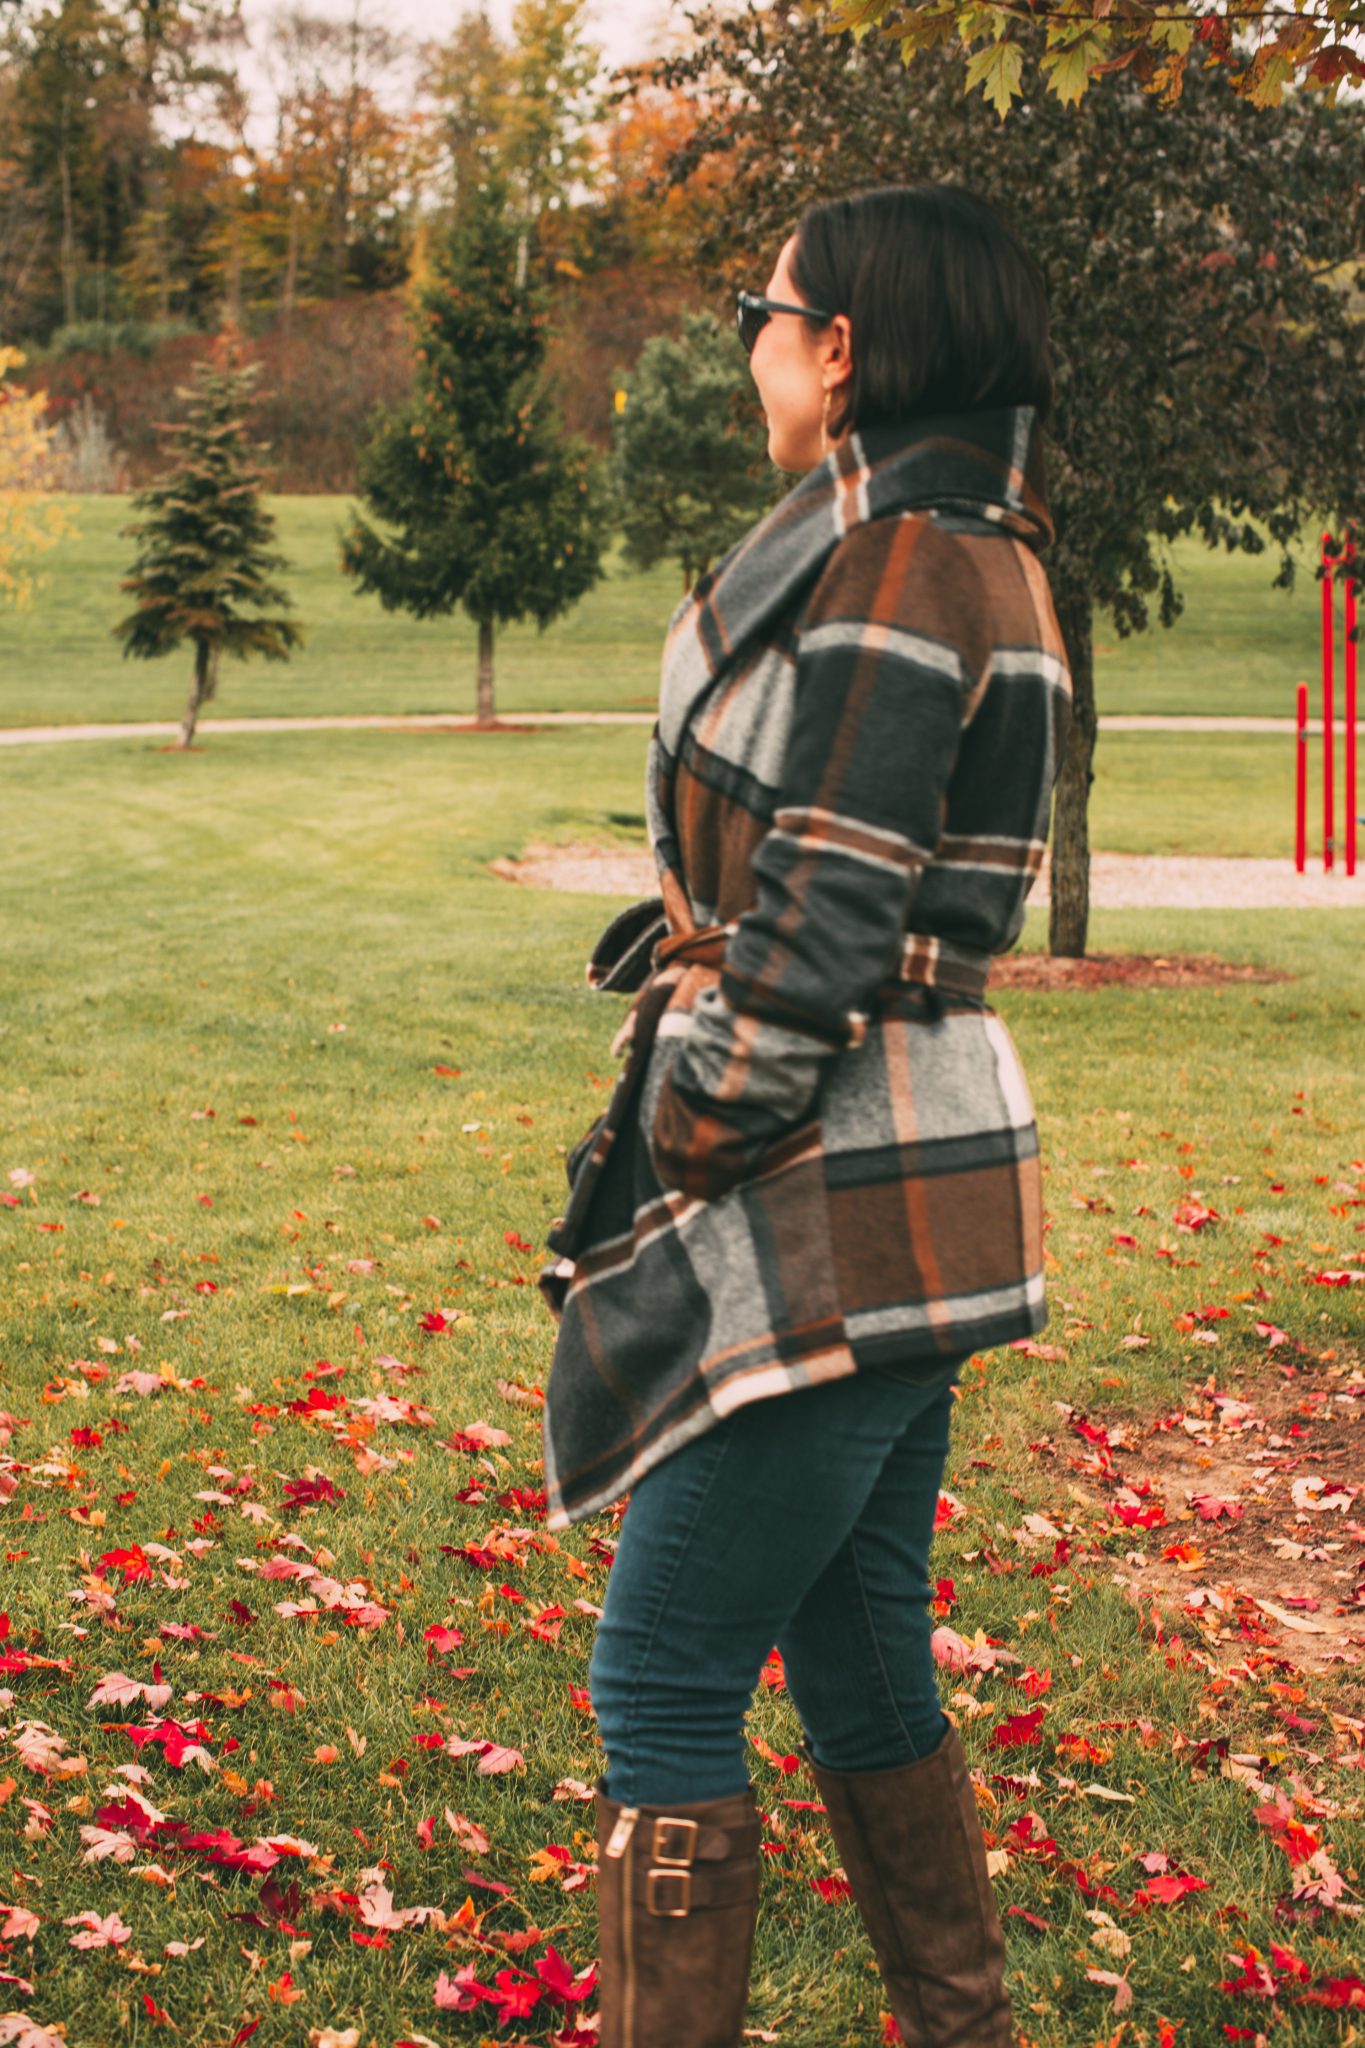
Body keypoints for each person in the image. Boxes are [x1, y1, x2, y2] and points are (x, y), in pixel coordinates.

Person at [538, 183, 1072, 2048]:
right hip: (915, 1180)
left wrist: (687, 1127)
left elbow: (830, 910)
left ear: (839, 347)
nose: (748, 344)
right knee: (855, 1655)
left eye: (757, 314)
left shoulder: (904, 558)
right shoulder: (961, 541)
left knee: (660, 1676)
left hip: (841, 1176)